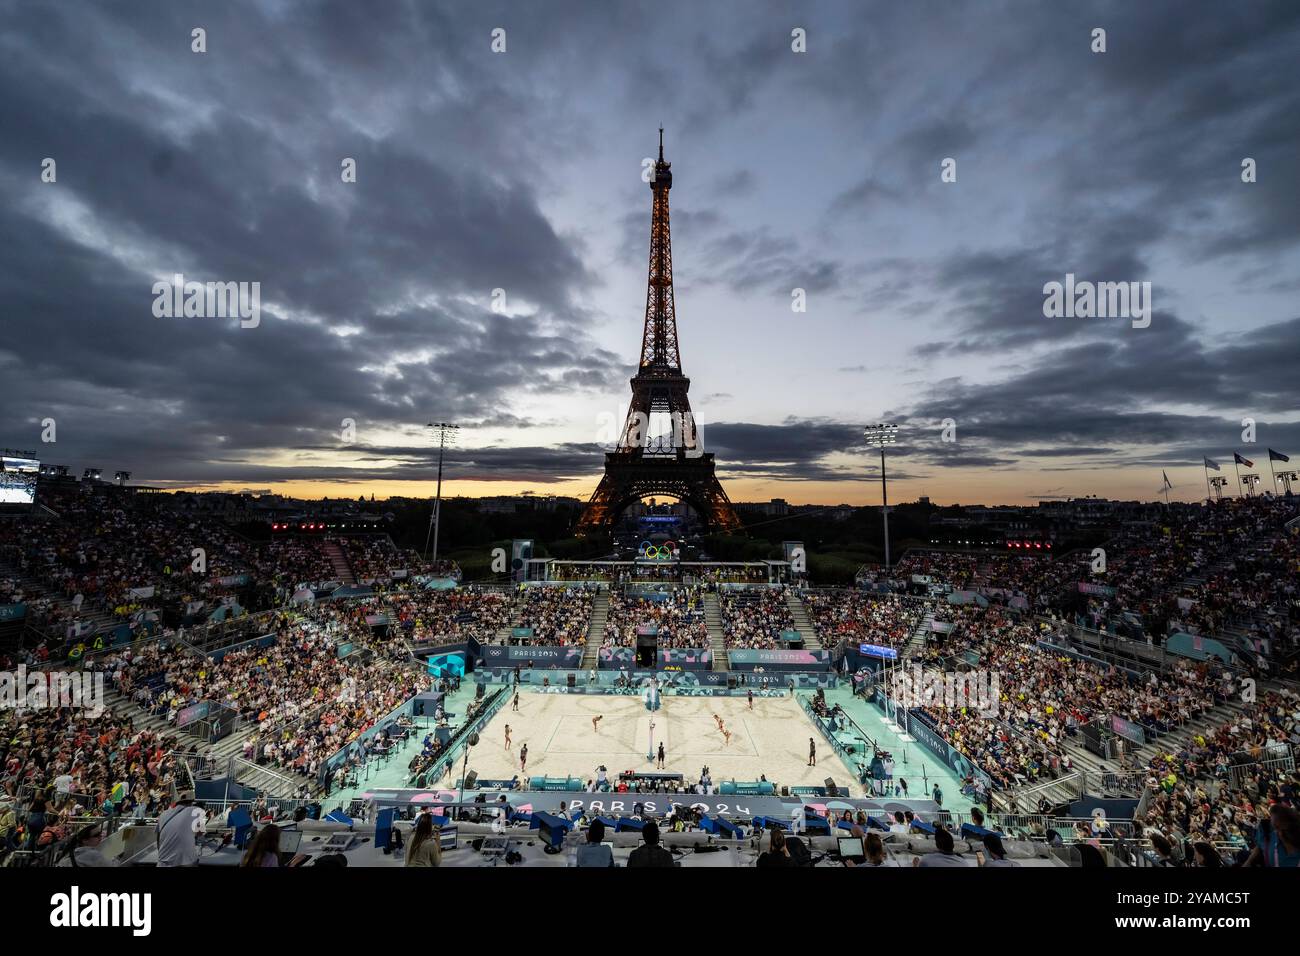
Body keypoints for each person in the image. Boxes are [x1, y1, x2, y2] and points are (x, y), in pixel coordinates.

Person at [155, 790, 203, 867]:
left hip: (162, 862)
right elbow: (200, 833)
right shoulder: (195, 811)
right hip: (185, 862)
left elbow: (158, 838)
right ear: (192, 802)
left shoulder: (164, 814)